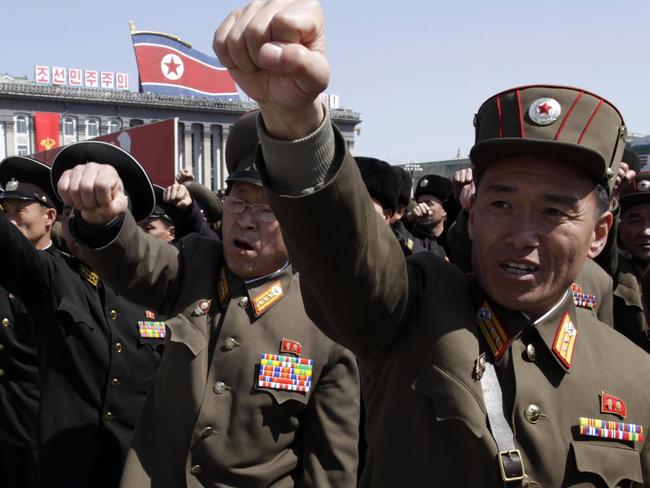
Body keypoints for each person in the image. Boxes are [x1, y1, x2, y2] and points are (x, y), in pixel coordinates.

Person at [210, 2, 650, 486]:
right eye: (501, 205)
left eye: (554, 211)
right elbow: (349, 258)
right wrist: (295, 123)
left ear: (601, 233)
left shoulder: (636, 379)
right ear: (473, 212)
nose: (523, 235)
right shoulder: (413, 312)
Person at [55, 112, 360, 488]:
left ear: (299, 222)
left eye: (267, 208)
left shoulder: (326, 321)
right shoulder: (195, 263)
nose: (246, 220)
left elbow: (330, 467)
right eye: (238, 201)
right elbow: (136, 260)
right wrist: (104, 221)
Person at [0, 148, 166, 488]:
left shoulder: (161, 290)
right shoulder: (51, 276)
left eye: (96, 211)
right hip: (65, 470)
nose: (80, 223)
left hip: (136, 469)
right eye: (72, 211)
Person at [0, 158, 46, 488]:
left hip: (41, 429)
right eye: (6, 211)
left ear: (49, 216)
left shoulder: (66, 275)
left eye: (20, 210)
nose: (11, 219)